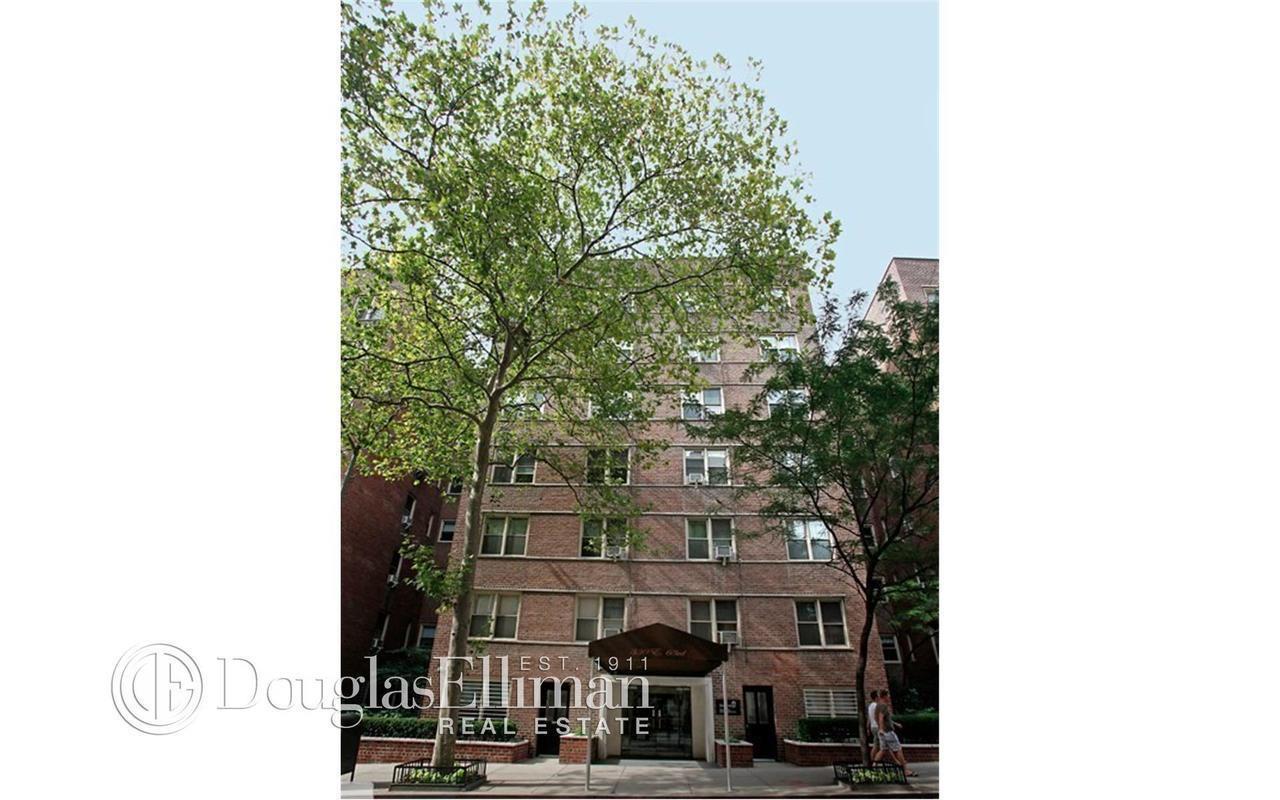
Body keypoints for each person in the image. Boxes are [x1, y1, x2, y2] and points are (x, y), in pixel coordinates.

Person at [876, 693, 919, 778]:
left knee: (882, 750)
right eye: (888, 696)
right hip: (888, 732)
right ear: (884, 696)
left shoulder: (878, 706)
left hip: (882, 733)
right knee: (898, 749)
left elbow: (884, 719)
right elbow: (881, 718)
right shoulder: (883, 706)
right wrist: (881, 728)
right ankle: (905, 770)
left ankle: (873, 767)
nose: (888, 698)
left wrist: (895, 724)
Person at [867, 689, 882, 762]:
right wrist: (880, 726)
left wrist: (867, 728)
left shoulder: (870, 706)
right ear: (876, 697)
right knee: (878, 745)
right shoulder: (876, 706)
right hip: (877, 726)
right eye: (878, 696)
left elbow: (869, 718)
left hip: (873, 727)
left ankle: (873, 760)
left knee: (877, 744)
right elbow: (878, 717)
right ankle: (873, 760)